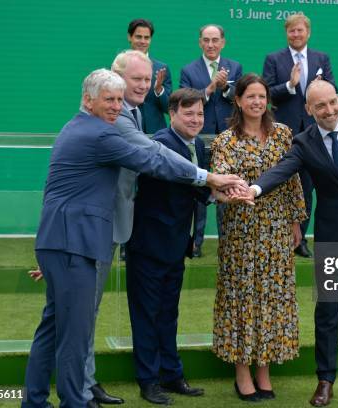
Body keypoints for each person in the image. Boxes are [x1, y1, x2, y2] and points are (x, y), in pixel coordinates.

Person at [21, 68, 244, 408]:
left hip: (62, 241)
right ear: (87, 100)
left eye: (118, 100)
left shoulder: (76, 127)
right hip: (74, 244)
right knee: (74, 336)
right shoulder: (99, 135)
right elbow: (152, 160)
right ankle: (73, 402)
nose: (115, 106)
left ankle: (34, 401)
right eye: (108, 99)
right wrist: (211, 177)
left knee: (53, 326)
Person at [238, 80, 338, 406]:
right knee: (328, 311)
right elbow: (282, 170)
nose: (329, 110)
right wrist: (253, 189)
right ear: (309, 110)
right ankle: (325, 380)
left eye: (332, 102)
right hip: (332, 235)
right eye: (320, 106)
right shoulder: (304, 141)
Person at [210, 73, 306, 402]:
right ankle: (241, 371)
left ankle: (264, 367)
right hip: (240, 230)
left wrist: (296, 221)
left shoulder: (283, 135)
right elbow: (218, 181)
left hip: (277, 228)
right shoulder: (225, 140)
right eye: (250, 96)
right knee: (242, 298)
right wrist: (229, 194)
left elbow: (292, 179)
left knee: (273, 298)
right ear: (237, 100)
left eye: (262, 96)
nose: (257, 102)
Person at [125, 88, 211, 405]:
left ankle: (172, 374)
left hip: (176, 246)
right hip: (148, 246)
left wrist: (221, 194)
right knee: (146, 316)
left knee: (168, 314)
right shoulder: (160, 143)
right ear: (172, 114)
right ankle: (148, 381)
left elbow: (199, 191)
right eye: (188, 113)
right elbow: (182, 178)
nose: (195, 119)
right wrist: (215, 185)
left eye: (200, 113)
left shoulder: (198, 145)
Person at [263, 14, 336, 258]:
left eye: (300, 30)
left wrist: (321, 86)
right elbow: (266, 94)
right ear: (287, 33)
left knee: (307, 188)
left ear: (308, 32)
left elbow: (333, 89)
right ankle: (278, 236)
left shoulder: (321, 58)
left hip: (315, 133)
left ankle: (300, 240)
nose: (296, 34)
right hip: (284, 132)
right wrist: (290, 85)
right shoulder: (274, 58)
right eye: (292, 31)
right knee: (282, 185)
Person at [180, 24, 243, 256]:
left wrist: (226, 87)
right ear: (200, 42)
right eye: (206, 40)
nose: (210, 44)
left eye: (215, 40)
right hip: (198, 139)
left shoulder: (235, 67)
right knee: (199, 189)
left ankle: (226, 242)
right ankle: (196, 243)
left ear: (223, 42)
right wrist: (209, 88)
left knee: (226, 187)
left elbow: (239, 99)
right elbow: (184, 104)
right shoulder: (188, 71)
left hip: (227, 140)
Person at [127, 19, 172, 134]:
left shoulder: (162, 68)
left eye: (146, 38)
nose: (142, 41)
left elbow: (169, 109)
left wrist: (159, 90)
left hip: (156, 133)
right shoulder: (120, 66)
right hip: (128, 130)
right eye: (138, 37)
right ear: (129, 37)